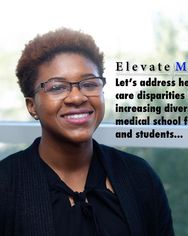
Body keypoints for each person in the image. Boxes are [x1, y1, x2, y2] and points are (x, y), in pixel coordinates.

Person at [0, 28, 175, 236]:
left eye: (89, 84)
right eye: (57, 87)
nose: (77, 97)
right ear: (32, 106)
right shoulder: (6, 184)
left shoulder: (139, 176)